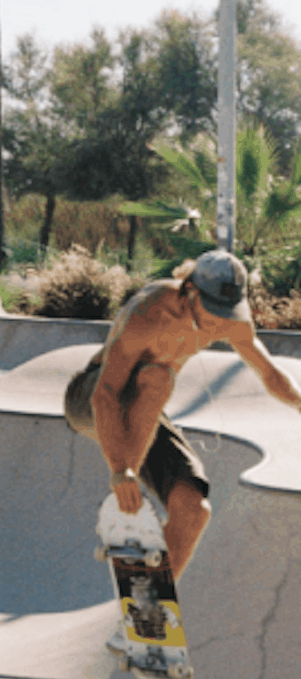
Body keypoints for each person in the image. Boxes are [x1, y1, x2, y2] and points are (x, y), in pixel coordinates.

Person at [65, 249, 301, 589]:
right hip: (90, 397)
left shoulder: (232, 321)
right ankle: (128, 495)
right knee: (159, 377)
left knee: (193, 507)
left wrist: (298, 403)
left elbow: (269, 373)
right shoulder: (147, 313)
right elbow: (107, 393)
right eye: (214, 312)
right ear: (189, 291)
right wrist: (121, 470)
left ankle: (150, 605)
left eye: (227, 313)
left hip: (144, 411)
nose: (220, 323)